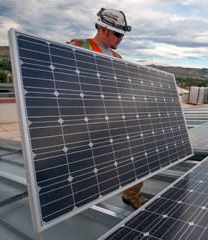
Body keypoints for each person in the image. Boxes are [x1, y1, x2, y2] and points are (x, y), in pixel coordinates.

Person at [68, 8, 148, 210]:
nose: (121, 39)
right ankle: (71, 198)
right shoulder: (77, 46)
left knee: (137, 151)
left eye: (122, 35)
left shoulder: (117, 57)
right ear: (103, 29)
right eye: (118, 34)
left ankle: (131, 194)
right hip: (83, 120)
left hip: (109, 117)